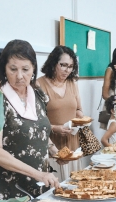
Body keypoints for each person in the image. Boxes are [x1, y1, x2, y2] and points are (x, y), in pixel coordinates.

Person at [0, 40, 60, 202]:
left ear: (34, 68)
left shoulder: (36, 94)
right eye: (13, 69)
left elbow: (38, 130)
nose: (19, 76)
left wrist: (55, 151)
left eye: (25, 69)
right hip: (6, 189)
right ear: (4, 69)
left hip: (37, 184)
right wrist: (39, 174)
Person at [38, 45, 84, 180]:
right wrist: (55, 128)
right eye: (63, 65)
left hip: (72, 143)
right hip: (52, 146)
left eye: (70, 66)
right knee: (57, 190)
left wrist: (80, 118)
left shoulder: (72, 83)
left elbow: (79, 109)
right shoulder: (39, 85)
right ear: (53, 64)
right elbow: (36, 121)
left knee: (75, 186)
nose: (67, 70)